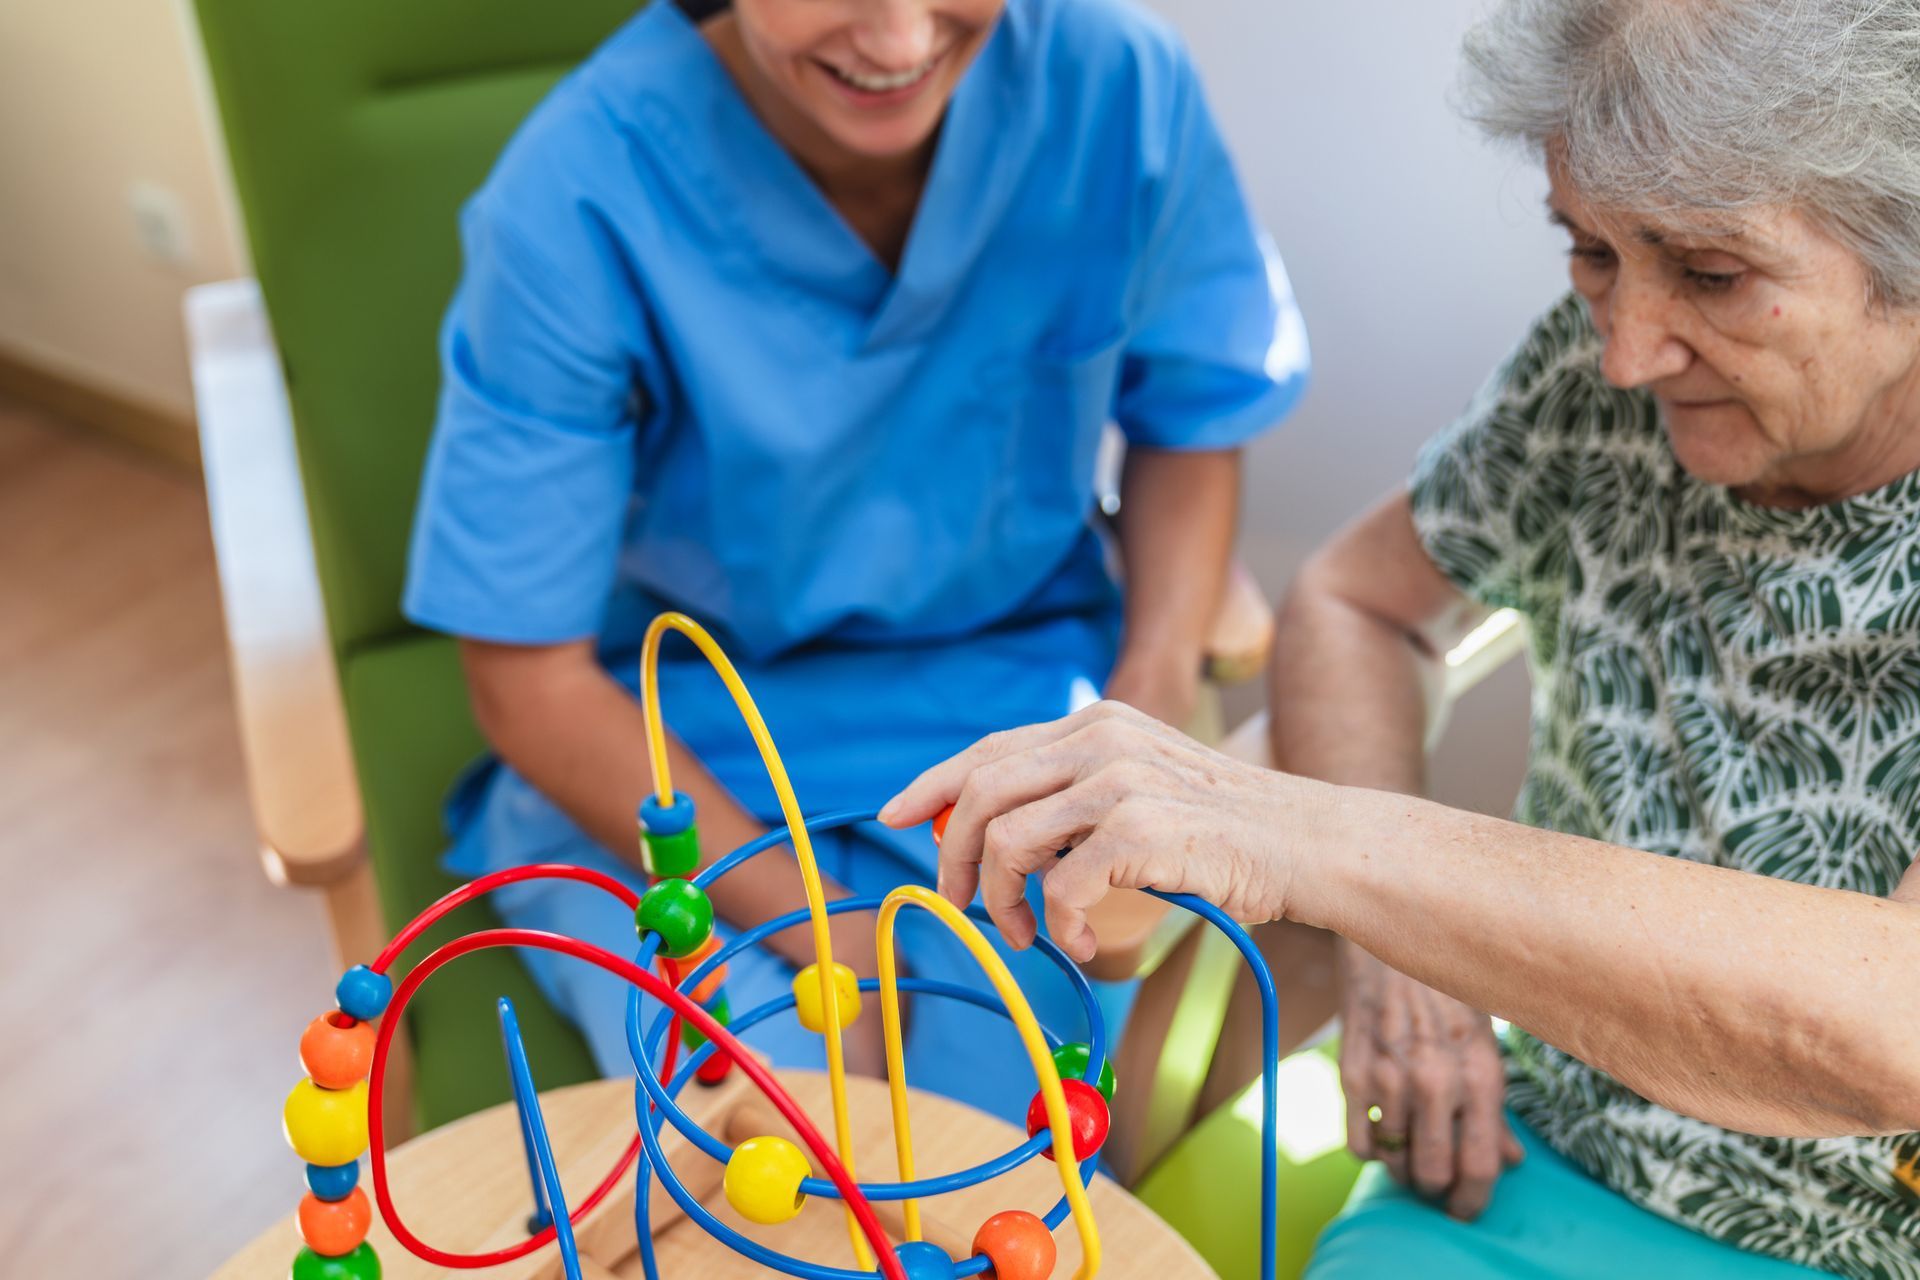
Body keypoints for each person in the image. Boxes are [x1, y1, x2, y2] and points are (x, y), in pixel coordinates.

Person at [882, 0, 1920, 1271]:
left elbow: (1895, 1030)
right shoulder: (1596, 381)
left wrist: (1323, 848)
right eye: (1591, 251)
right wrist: (1402, 964)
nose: (1627, 354)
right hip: (1525, 1150)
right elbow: (1353, 600)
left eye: (1712, 273)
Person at [402, 0, 1307, 1124]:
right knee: (765, 1148)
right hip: (686, 756)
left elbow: (1191, 414)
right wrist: (822, 929)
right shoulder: (577, 193)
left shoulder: (1115, 88)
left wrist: (1151, 701)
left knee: (988, 1168)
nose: (898, 42)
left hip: (1009, 732)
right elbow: (526, 677)